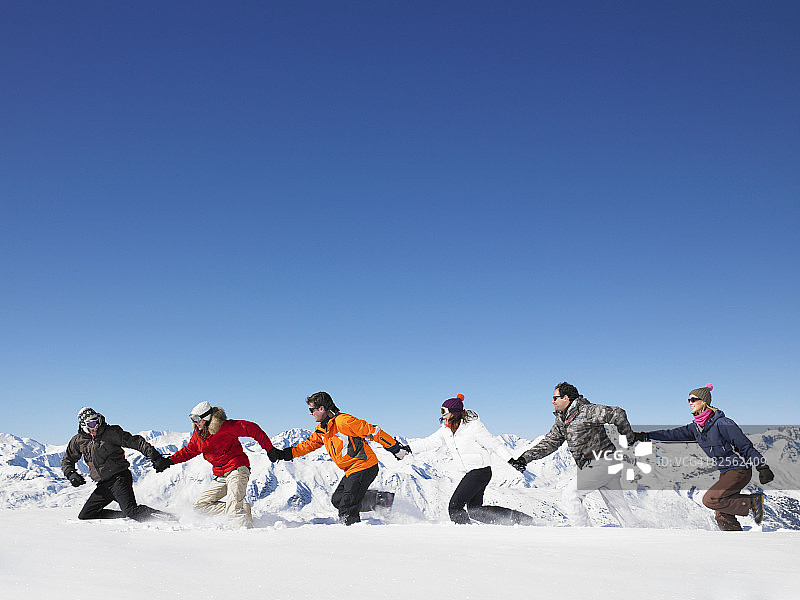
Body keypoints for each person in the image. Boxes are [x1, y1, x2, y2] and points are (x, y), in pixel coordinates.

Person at [631, 384, 775, 531]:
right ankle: (735, 541)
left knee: (711, 499)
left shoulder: (723, 423)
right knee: (722, 514)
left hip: (739, 470)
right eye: (688, 400)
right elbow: (671, 434)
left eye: (693, 399)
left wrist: (762, 466)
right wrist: (644, 436)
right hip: (725, 472)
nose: (690, 403)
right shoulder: (697, 428)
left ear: (704, 401)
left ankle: (753, 502)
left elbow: (745, 446)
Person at [268, 391, 408, 525]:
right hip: (351, 469)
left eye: (312, 410)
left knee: (346, 508)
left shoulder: (344, 422)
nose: (311, 414)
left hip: (364, 466)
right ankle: (382, 500)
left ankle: (353, 534)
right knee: (338, 500)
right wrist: (283, 454)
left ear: (321, 408)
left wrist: (395, 448)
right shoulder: (323, 429)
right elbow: (308, 445)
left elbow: (373, 431)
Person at [510, 382, 638, 527]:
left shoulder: (587, 411)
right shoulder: (563, 420)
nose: (552, 401)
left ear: (566, 398)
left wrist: (628, 438)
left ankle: (584, 536)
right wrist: (525, 458)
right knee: (619, 508)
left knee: (570, 496)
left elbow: (618, 413)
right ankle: (640, 534)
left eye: (555, 398)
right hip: (601, 464)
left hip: (602, 462)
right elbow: (550, 442)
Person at [409, 394, 534, 525]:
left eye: (444, 411)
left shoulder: (473, 427)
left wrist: (511, 461)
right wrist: (408, 448)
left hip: (480, 472)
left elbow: (494, 444)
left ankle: (465, 534)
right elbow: (429, 442)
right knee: (475, 511)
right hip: (474, 472)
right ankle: (520, 519)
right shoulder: (446, 430)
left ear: (454, 413)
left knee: (454, 507)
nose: (442, 415)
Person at [168, 401, 275, 528]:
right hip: (221, 475)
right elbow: (189, 451)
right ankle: (241, 509)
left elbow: (253, 429)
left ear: (206, 417)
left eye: (197, 419)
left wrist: (270, 449)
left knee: (234, 512)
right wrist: (169, 461)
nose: (195, 423)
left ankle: (248, 539)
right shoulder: (199, 434)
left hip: (237, 469)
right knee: (200, 507)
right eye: (192, 419)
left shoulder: (225, 427)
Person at [61, 407, 174, 521]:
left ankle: (168, 518)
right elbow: (67, 460)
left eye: (97, 422)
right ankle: (124, 515)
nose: (96, 426)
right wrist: (71, 474)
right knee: (86, 515)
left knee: (131, 511)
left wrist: (155, 456)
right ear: (83, 425)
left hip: (119, 479)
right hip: (103, 485)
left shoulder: (111, 432)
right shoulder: (78, 440)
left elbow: (136, 442)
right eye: (91, 424)